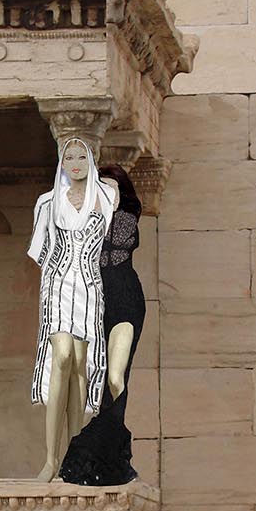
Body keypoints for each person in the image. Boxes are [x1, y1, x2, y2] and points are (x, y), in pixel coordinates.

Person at [28, 137, 118, 482]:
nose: (76, 163)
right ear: (61, 162)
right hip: (58, 284)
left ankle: (71, 457)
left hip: (90, 288)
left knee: (80, 364)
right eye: (70, 157)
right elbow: (41, 251)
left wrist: (105, 178)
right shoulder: (48, 202)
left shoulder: (105, 196)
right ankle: (50, 459)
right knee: (62, 357)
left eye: (83, 156)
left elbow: (118, 189)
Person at [58, 164, 146, 485]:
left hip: (124, 298)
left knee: (116, 375)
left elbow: (110, 246)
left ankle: (110, 439)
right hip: (96, 303)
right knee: (94, 373)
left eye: (111, 189)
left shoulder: (124, 219)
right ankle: (108, 449)